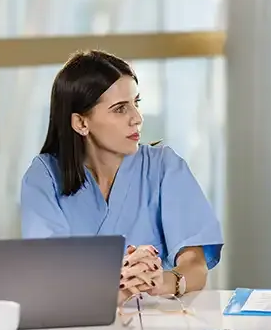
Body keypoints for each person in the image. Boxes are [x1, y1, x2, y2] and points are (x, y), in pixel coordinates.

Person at [21, 51, 222, 305]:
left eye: (136, 103)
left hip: (157, 325)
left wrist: (161, 281)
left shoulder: (164, 167)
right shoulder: (44, 177)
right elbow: (50, 272)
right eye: (120, 109)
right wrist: (121, 283)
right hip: (78, 326)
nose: (137, 119)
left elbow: (194, 263)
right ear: (81, 123)